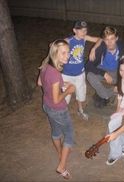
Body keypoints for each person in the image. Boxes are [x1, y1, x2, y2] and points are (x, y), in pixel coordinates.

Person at [38, 39, 75, 180]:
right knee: (70, 135)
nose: (67, 56)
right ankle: (62, 166)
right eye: (63, 53)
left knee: (56, 131)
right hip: (58, 109)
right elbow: (56, 99)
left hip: (47, 106)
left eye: (68, 52)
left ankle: (60, 154)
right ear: (55, 53)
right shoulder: (55, 73)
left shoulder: (45, 65)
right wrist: (69, 90)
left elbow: (40, 82)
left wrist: (59, 83)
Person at [62, 20, 102, 120]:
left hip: (80, 73)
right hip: (67, 75)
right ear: (74, 30)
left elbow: (100, 40)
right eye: (81, 30)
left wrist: (93, 49)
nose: (84, 33)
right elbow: (53, 46)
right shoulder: (69, 41)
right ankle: (64, 113)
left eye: (85, 30)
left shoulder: (84, 38)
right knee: (66, 96)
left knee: (81, 94)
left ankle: (80, 110)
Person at [86, 26, 124, 108]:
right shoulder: (101, 48)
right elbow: (88, 66)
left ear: (116, 39)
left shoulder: (122, 47)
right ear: (103, 40)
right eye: (107, 39)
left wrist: (123, 77)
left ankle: (107, 93)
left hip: (116, 71)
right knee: (90, 76)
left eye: (112, 39)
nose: (109, 42)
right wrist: (104, 73)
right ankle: (109, 93)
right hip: (102, 69)